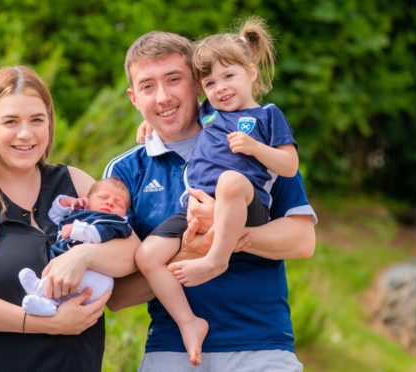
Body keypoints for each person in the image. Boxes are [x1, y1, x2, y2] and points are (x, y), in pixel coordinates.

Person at [103, 29, 316, 371]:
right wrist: (193, 249)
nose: (162, 97)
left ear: (196, 84)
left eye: (174, 79)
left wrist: (227, 231)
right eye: (148, 87)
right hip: (171, 347)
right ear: (134, 98)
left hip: (261, 344)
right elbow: (117, 296)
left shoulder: (250, 141)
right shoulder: (124, 172)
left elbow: (303, 241)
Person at [0, 65, 138, 371]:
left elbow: (131, 249)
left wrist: (84, 256)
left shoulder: (75, 183)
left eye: (37, 120)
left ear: (50, 123)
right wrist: (46, 324)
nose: (26, 134)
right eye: (10, 121)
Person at [19, 177, 132, 316]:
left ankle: (40, 289)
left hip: (98, 277)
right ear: (87, 200)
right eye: (103, 197)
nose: (110, 203)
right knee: (63, 289)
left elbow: (99, 234)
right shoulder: (80, 215)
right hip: (76, 275)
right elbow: (54, 220)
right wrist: (65, 204)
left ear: (125, 213)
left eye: (119, 204)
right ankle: (48, 306)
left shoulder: (114, 221)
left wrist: (77, 230)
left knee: (66, 279)